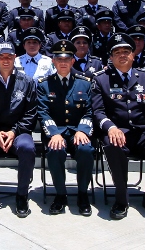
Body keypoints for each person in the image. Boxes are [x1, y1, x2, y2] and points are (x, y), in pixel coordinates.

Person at [90, 33, 145, 220]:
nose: (122, 55)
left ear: (133, 55)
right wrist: (110, 128)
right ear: (110, 57)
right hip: (117, 131)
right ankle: (121, 200)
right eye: (117, 52)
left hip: (143, 131)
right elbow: (98, 111)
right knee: (112, 144)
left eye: (126, 51)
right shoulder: (101, 79)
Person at [0, 42, 38, 217]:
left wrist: (14, 132)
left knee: (27, 148)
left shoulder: (27, 82)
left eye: (9, 56)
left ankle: (22, 195)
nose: (5, 60)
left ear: (15, 58)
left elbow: (31, 113)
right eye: (1, 56)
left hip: (18, 132)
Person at [37, 40, 95, 216]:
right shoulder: (44, 84)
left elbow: (89, 111)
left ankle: (82, 195)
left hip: (78, 130)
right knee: (55, 151)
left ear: (72, 61)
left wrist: (82, 131)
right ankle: (60, 195)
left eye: (67, 59)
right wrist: (54, 134)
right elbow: (43, 112)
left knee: (86, 150)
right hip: (56, 131)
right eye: (59, 59)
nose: (63, 62)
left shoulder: (85, 83)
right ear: (53, 61)